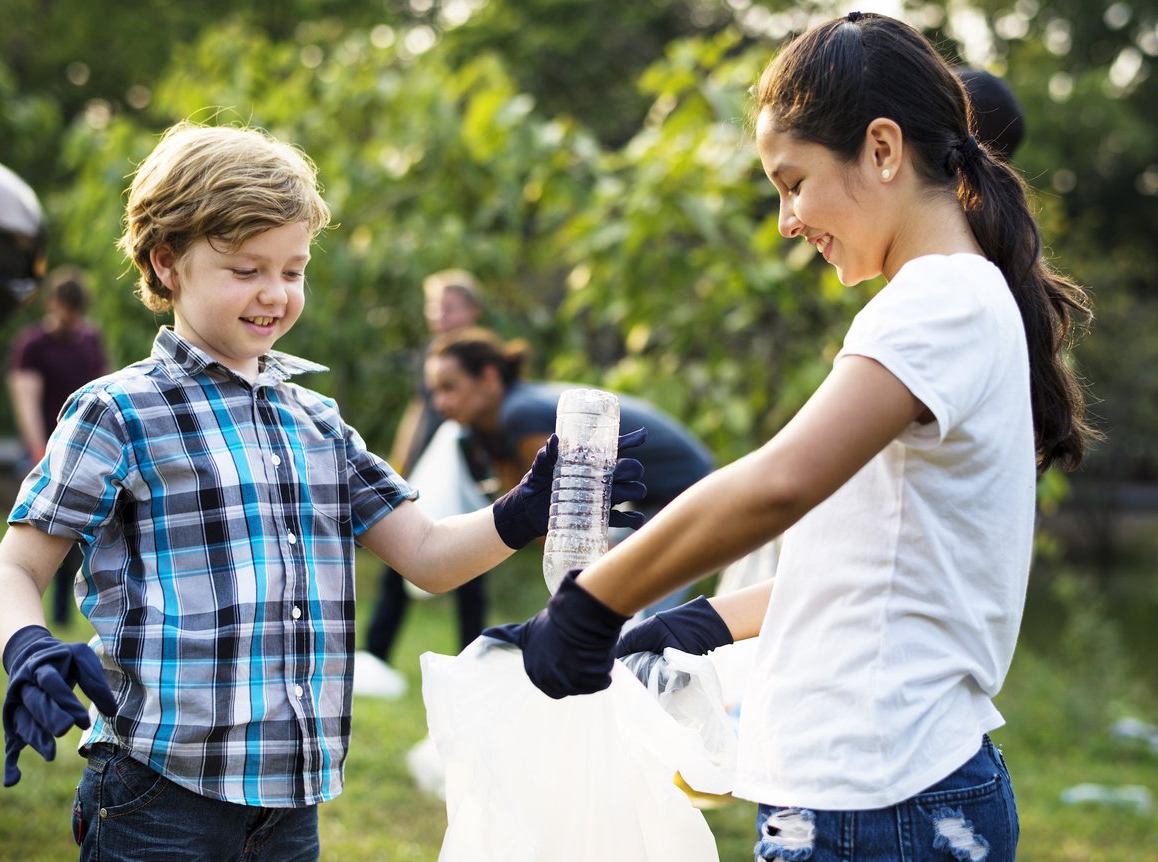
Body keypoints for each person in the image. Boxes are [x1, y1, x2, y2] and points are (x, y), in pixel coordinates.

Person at [487, 12, 1095, 862]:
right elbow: (867, 569)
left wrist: (593, 604)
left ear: (882, 151)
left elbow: (778, 483)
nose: (785, 218)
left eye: (793, 181)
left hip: (878, 804)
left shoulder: (938, 302)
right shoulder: (956, 298)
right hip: (889, 791)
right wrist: (687, 623)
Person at [0, 121, 646, 861]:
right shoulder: (118, 411)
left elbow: (424, 554)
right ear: (167, 264)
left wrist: (527, 506)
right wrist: (29, 647)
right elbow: (13, 569)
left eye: (292, 271)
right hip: (157, 793)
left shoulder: (315, 420)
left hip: (292, 804)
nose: (273, 294)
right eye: (245, 270)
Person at [425, 326, 715, 614]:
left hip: (689, 493)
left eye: (449, 388)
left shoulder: (520, 416)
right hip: (653, 498)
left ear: (488, 377)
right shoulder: (492, 425)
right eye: (435, 391)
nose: (439, 403)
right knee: (602, 606)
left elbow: (560, 519)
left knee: (629, 616)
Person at [356, 269, 489, 697]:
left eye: (448, 306)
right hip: (427, 476)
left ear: (471, 310)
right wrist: (399, 464)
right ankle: (375, 654)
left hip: (465, 477)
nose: (438, 315)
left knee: (471, 566)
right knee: (401, 557)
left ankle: (475, 665)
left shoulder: (481, 357)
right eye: (434, 306)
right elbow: (418, 411)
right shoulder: (433, 353)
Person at [7, 265, 108, 627]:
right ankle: (30, 614)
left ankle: (64, 617)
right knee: (39, 540)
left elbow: (105, 389)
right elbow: (25, 398)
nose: (71, 317)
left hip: (85, 453)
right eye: (66, 308)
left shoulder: (91, 340)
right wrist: (39, 448)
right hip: (45, 450)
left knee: (75, 542)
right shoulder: (33, 345)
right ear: (53, 304)